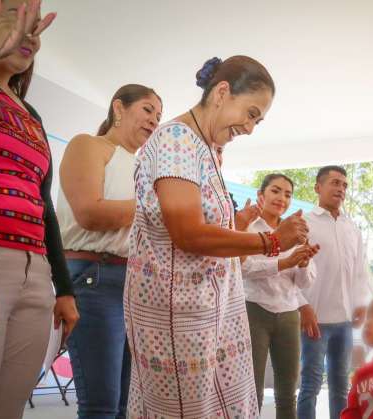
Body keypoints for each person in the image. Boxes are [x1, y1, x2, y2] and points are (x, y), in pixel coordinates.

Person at [124, 56, 309, 418]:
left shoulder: (205, 150)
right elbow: (188, 234)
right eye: (251, 113)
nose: (252, 127)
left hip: (210, 310)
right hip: (177, 314)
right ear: (222, 92)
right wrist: (272, 241)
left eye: (258, 120)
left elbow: (212, 232)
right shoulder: (177, 139)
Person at [0, 2, 79, 417]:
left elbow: (44, 208)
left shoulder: (31, 115)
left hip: (36, 274)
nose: (30, 36)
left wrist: (62, 288)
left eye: (35, 30)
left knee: (9, 406)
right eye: (16, 19)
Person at [57, 84, 162, 419]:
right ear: (119, 108)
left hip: (137, 284)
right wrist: (156, 206)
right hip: (95, 278)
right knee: (101, 404)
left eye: (158, 116)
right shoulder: (88, 145)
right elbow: (89, 213)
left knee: (128, 405)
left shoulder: (147, 170)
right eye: (148, 109)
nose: (154, 120)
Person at [241, 174, 319, 418]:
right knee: (251, 390)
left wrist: (304, 263)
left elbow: (303, 283)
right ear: (260, 196)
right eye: (276, 191)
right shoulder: (248, 229)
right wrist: (284, 262)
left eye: (287, 194)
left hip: (287, 314)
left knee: (287, 393)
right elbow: (243, 269)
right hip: (253, 310)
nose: (282, 198)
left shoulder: (297, 232)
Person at [297, 165, 371, 419]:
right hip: (314, 320)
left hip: (345, 321)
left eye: (344, 185)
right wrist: (302, 306)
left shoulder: (352, 227)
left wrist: (361, 302)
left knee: (341, 387)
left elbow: (360, 269)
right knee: (310, 385)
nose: (341, 189)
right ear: (318, 187)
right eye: (335, 183)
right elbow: (290, 270)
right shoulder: (304, 223)